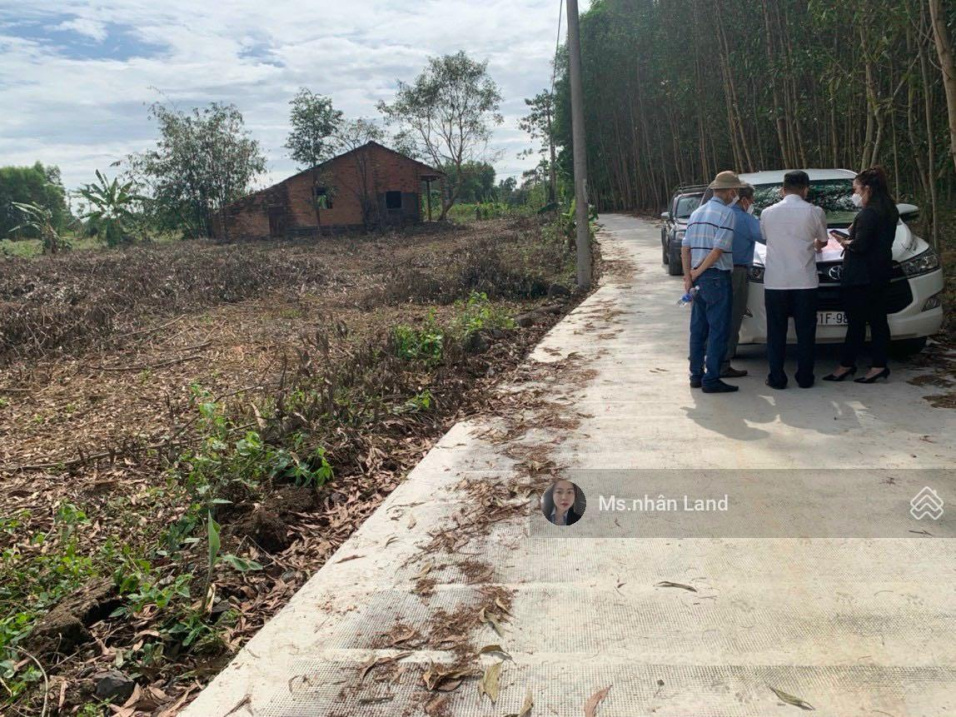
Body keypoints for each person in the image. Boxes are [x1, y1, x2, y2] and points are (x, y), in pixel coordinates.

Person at [824, 167, 899, 384]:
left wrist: (845, 241)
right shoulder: (889, 209)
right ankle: (878, 365)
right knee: (878, 321)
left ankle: (846, 365)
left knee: (856, 323)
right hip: (880, 272)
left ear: (867, 188)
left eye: (855, 189)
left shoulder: (869, 213)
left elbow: (861, 245)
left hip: (861, 276)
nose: (854, 194)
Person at [759, 170, 828, 390]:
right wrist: (814, 245)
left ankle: (777, 377)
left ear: (783, 190)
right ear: (805, 189)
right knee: (806, 331)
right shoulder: (814, 211)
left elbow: (766, 237)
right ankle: (805, 377)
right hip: (805, 280)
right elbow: (823, 241)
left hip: (776, 280)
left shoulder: (767, 213)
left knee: (776, 331)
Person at [681, 170, 745, 394]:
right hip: (716, 276)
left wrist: (689, 277)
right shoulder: (727, 214)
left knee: (698, 329)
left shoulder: (697, 213)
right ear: (731, 191)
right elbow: (718, 251)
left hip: (698, 280)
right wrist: (698, 271)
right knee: (718, 330)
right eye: (735, 191)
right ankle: (712, 378)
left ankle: (696, 375)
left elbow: (685, 248)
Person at [721, 184, 763, 379]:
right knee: (734, 316)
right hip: (737, 272)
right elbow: (766, 238)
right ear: (744, 200)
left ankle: (707, 359)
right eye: (752, 200)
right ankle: (724, 362)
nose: (752, 204)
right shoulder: (745, 219)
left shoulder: (719, 214)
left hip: (714, 271)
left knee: (717, 317)